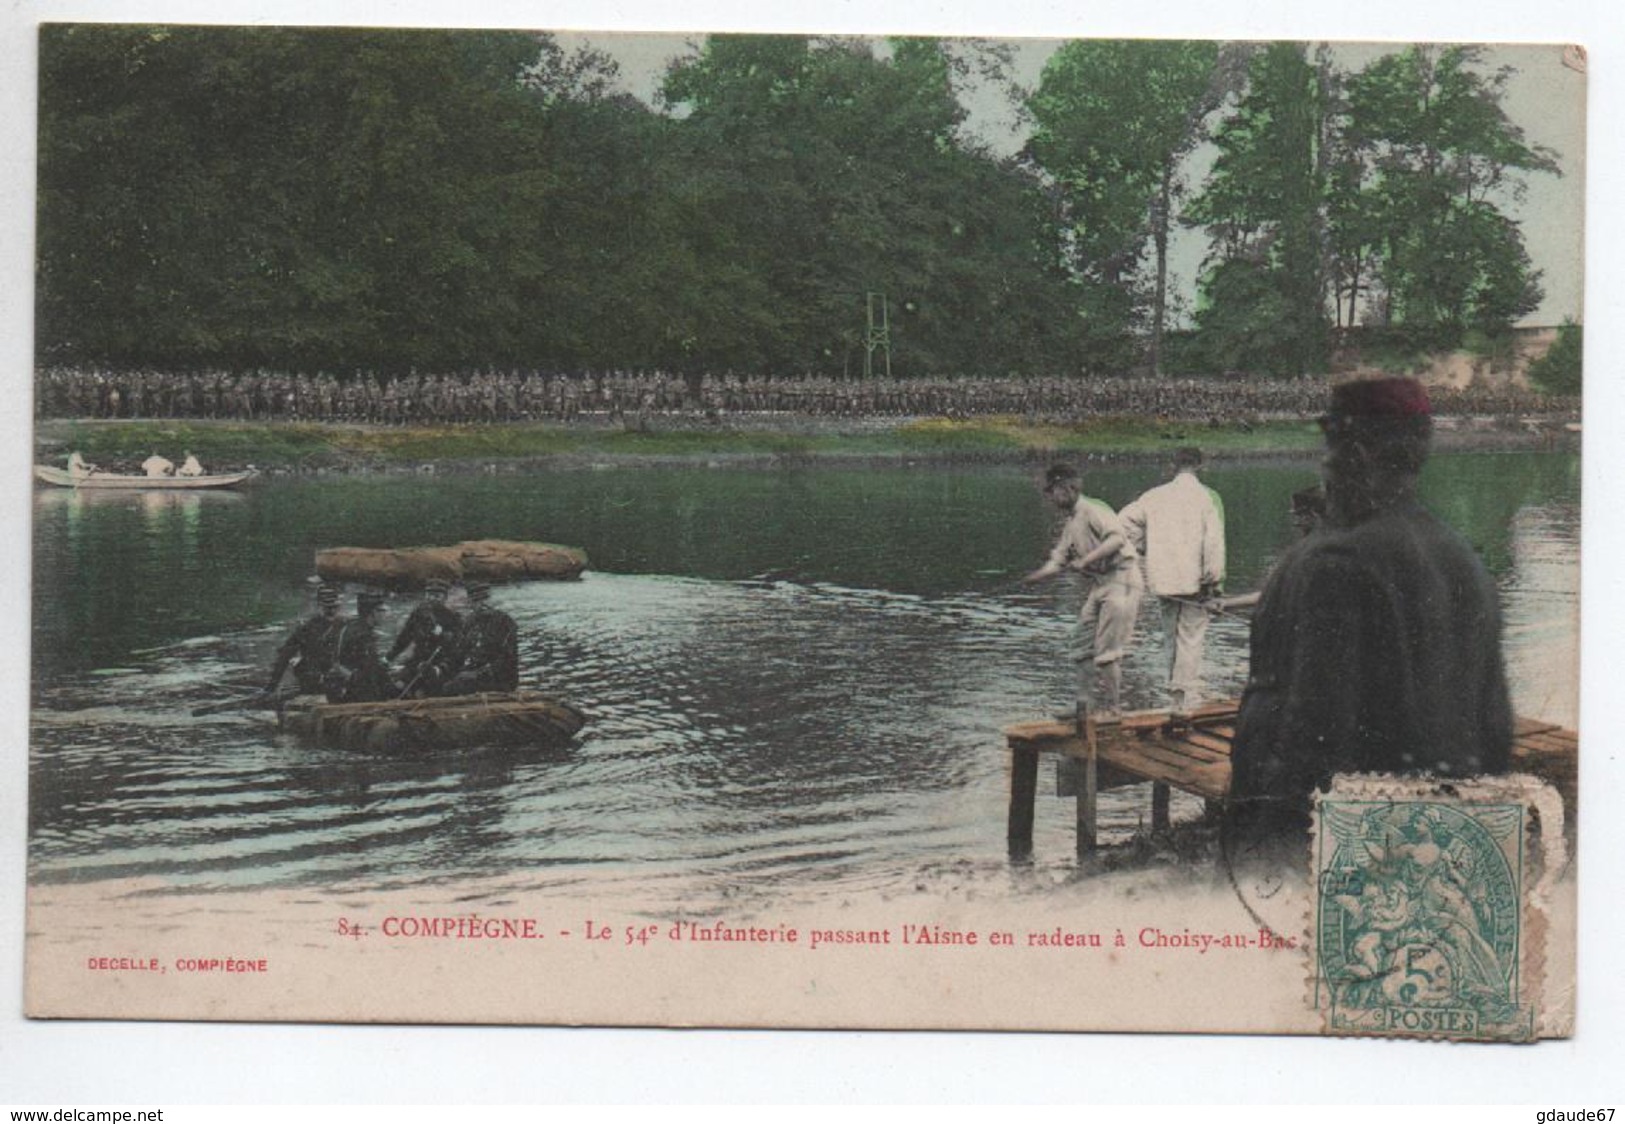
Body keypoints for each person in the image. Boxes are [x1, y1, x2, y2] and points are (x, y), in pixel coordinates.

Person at [1227, 378, 1514, 839]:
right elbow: (1495, 730)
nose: (1323, 467)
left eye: (1327, 452)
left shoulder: (1337, 564)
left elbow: (1311, 741)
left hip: (1353, 849)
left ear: (1356, 456)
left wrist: (1268, 846)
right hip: (1442, 836)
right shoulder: (1465, 561)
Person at [1022, 463, 1144, 718]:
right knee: (1081, 644)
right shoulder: (1071, 524)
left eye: (1052, 492)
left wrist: (1086, 561)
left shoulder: (1094, 509)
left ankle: (1114, 709)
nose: (1051, 498)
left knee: (1107, 654)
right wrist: (1035, 577)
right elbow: (1057, 561)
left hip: (1122, 581)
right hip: (1100, 585)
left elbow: (1117, 539)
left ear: (1068, 488)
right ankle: (1083, 706)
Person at [1119, 447, 1225, 717]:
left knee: (1170, 637)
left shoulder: (1154, 496)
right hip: (1195, 583)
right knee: (1190, 638)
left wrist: (1144, 548)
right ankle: (1182, 702)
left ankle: (1174, 698)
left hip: (1163, 580)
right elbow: (1213, 544)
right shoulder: (1206, 498)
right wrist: (1213, 583)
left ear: (1172, 466)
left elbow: (1123, 523)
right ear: (1201, 466)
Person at [1205, 485, 1326, 614]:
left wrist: (1227, 603)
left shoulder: (1312, 554)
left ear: (1314, 515)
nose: (1296, 523)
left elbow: (1273, 594)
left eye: (1299, 516)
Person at [425, 581, 519, 696]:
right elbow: (458, 654)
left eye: (484, 600)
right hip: (473, 674)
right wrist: (438, 669)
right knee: (432, 681)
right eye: (476, 601)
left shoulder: (505, 622)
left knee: (452, 687)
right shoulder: (470, 623)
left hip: (499, 679)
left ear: (491, 600)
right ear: (470, 603)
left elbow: (506, 661)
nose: (481, 605)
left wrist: (476, 674)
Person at [265, 584, 346, 695]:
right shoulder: (306, 629)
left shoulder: (344, 626)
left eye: (334, 607)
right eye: (327, 608)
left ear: (339, 607)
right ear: (319, 606)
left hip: (338, 678)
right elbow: (284, 656)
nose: (331, 611)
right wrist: (271, 687)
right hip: (313, 680)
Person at [389, 578, 462, 696]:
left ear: (445, 598)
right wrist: (389, 657)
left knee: (426, 690)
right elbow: (404, 638)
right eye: (429, 595)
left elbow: (457, 648)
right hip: (417, 661)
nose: (432, 599)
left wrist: (442, 636)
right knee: (398, 685)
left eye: (437, 596)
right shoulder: (419, 614)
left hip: (440, 664)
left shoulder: (453, 618)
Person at [325, 591, 395, 703]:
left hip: (342, 683)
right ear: (373, 613)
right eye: (383, 610)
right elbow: (368, 672)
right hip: (350, 691)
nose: (386, 614)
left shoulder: (354, 626)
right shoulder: (363, 636)